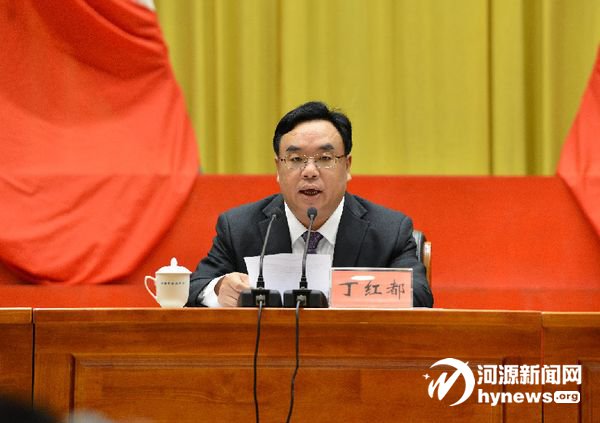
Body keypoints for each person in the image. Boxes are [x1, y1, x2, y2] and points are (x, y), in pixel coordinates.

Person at [187, 101, 433, 308]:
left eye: (325, 158)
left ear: (347, 166)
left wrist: (343, 292)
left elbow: (419, 295)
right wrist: (219, 288)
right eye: (295, 159)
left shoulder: (389, 230)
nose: (310, 171)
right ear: (278, 168)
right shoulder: (239, 227)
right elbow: (195, 288)